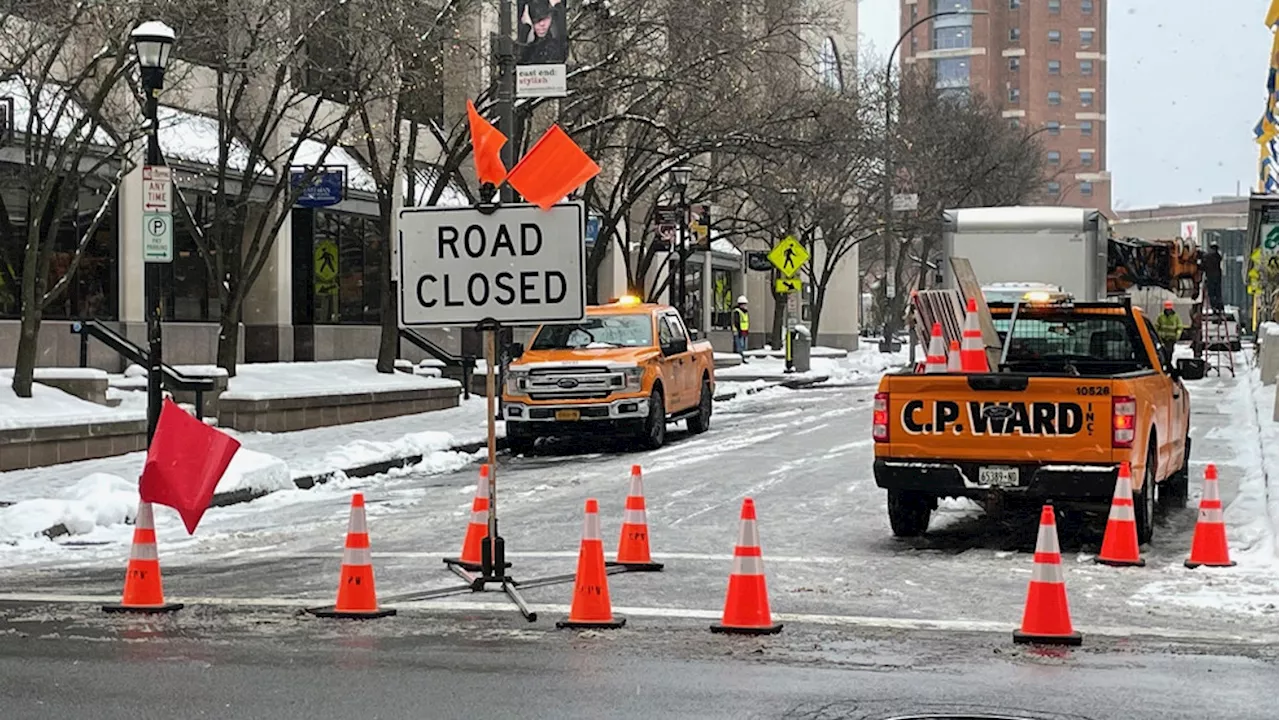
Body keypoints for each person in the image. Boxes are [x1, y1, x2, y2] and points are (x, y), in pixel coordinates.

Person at [519, 0, 566, 65]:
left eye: (546, 19)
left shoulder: (556, 46)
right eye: (536, 20)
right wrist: (527, 27)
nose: (542, 24)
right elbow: (519, 58)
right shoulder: (527, 49)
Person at [1154, 299, 1185, 364]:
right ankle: (1164, 363)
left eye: (1169, 309)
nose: (1168, 311)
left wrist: (1177, 335)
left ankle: (1168, 363)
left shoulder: (1176, 317)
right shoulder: (1161, 316)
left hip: (1171, 339)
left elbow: (1179, 326)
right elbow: (1156, 326)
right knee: (1162, 352)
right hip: (1162, 338)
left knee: (1169, 352)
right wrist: (1157, 335)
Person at [1201, 242, 1224, 313]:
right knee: (1218, 293)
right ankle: (1219, 307)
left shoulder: (1208, 257)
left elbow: (1203, 267)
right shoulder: (1218, 257)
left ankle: (1214, 307)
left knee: (1212, 293)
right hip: (1217, 278)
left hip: (1211, 278)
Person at [731, 296, 750, 362]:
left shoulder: (745, 312)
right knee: (740, 345)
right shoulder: (737, 312)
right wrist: (739, 331)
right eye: (744, 304)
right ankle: (741, 358)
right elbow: (737, 322)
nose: (745, 305)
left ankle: (741, 357)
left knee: (742, 345)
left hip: (744, 331)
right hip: (739, 331)